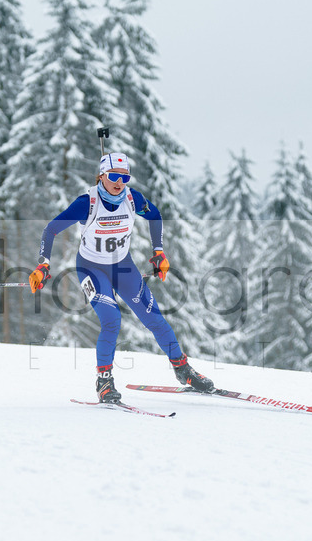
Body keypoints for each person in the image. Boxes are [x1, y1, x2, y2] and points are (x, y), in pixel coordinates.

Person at [29, 152, 214, 403]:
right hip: (91, 268)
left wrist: (158, 252)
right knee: (111, 318)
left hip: (123, 267)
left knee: (154, 318)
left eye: (124, 177)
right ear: (102, 175)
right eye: (114, 176)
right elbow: (51, 229)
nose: (119, 182)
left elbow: (155, 216)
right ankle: (104, 381)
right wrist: (44, 265)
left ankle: (183, 369)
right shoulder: (87, 203)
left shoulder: (132, 198)